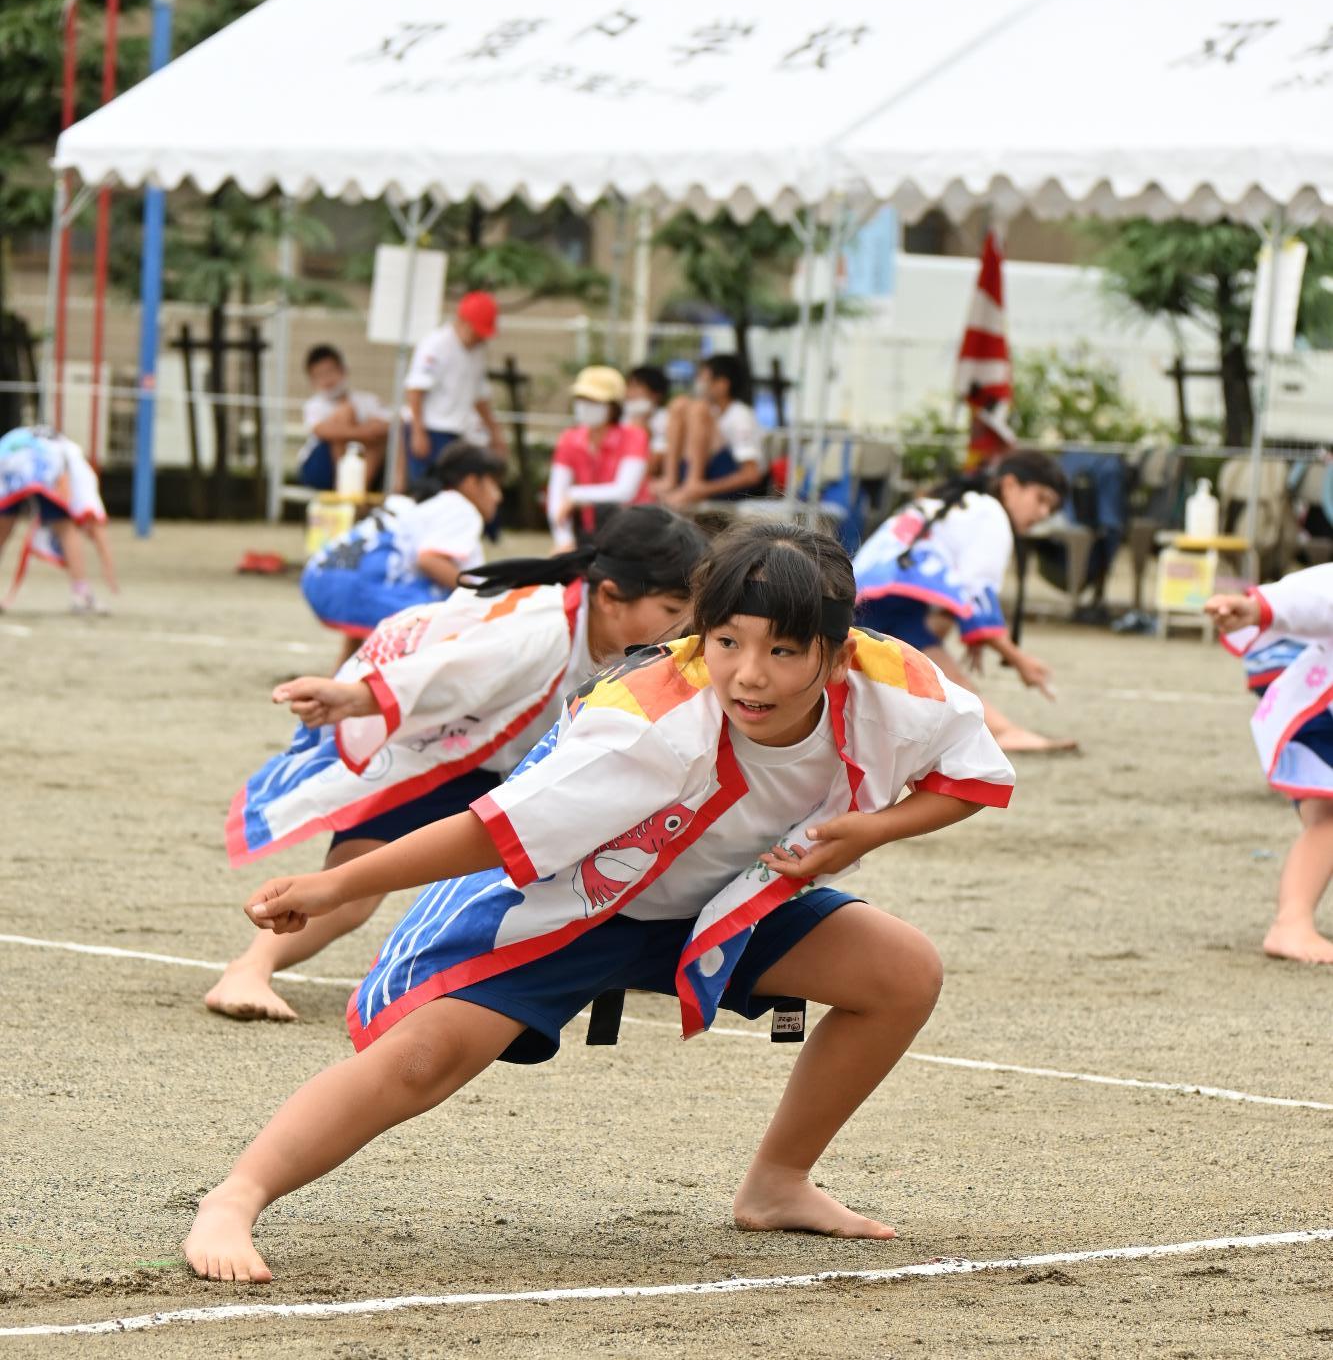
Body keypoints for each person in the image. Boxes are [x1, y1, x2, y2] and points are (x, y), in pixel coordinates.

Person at [183, 517, 1015, 1282]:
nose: (750, 675)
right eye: (725, 641)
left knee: (902, 972)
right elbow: (492, 830)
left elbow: (969, 777)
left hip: (726, 900)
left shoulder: (893, 683)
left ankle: (777, 1183)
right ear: (698, 631)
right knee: (421, 1059)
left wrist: (872, 830)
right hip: (572, 902)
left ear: (837, 654)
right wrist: (337, 882)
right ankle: (236, 1196)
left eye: (784, 652)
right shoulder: (645, 718)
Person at [207, 507, 707, 1022]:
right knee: (354, 885)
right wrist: (356, 696)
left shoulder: (649, 644)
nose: (684, 623)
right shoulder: (538, 627)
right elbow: (448, 671)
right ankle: (248, 968)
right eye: (672, 606)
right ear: (609, 597)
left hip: (516, 765)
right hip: (447, 748)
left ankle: (616, 958)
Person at [853, 450, 1077, 754]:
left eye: (1050, 509)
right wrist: (1020, 660)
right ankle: (1001, 732)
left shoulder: (950, 503)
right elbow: (976, 595)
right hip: (891, 600)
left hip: (862, 592)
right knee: (946, 678)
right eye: (1041, 499)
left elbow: (950, 601)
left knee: (928, 655)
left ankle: (977, 725)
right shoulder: (992, 514)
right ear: (1010, 485)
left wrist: (974, 636)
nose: (1042, 514)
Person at [1207, 568, 1333, 965]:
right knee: (1328, 818)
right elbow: (1321, 593)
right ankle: (1290, 922)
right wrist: (1260, 606)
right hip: (1320, 708)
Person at [301, 440, 504, 663]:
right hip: (353, 584)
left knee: (385, 609)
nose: (498, 497)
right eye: (494, 486)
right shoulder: (461, 509)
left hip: (321, 575)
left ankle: (340, 682)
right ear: (472, 482)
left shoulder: (419, 501)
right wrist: (482, 591)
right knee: (440, 614)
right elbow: (429, 560)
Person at [0, 427, 116, 614]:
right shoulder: (80, 469)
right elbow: (97, 521)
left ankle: (81, 595)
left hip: (7, 453)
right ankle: (82, 594)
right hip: (41, 460)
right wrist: (108, 568)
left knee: (3, 526)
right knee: (65, 527)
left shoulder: (64, 450)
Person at [546, 366, 652, 552]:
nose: (585, 405)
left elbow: (624, 492)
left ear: (613, 406)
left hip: (634, 534)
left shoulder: (635, 437)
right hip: (589, 534)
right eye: (581, 399)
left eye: (594, 400)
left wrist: (575, 495)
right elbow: (556, 495)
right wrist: (563, 539)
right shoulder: (570, 438)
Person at [403, 291, 504, 482]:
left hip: (460, 432)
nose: (480, 338)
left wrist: (495, 432)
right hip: (430, 429)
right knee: (427, 488)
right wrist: (418, 432)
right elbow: (415, 389)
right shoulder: (436, 345)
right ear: (463, 322)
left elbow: (479, 395)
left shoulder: (478, 351)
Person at [655, 355, 767, 509]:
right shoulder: (712, 410)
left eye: (703, 378)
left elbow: (751, 475)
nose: (699, 383)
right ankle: (671, 478)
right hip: (706, 470)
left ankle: (692, 484)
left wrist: (703, 489)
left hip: (727, 480)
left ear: (722, 384)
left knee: (697, 409)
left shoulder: (740, 415)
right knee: (679, 404)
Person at [296, 345, 390, 492]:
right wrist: (365, 433)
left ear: (343, 370)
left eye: (330, 372)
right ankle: (344, 490)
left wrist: (366, 431)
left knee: (374, 429)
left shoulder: (367, 400)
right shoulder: (314, 405)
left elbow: (388, 426)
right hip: (320, 465)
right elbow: (322, 431)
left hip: (366, 462)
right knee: (345, 414)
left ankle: (357, 494)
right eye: (319, 375)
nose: (327, 380)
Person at [624, 364, 673, 476]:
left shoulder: (666, 419)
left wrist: (642, 427)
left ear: (655, 394)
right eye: (628, 386)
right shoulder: (619, 418)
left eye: (636, 387)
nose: (629, 393)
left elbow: (657, 461)